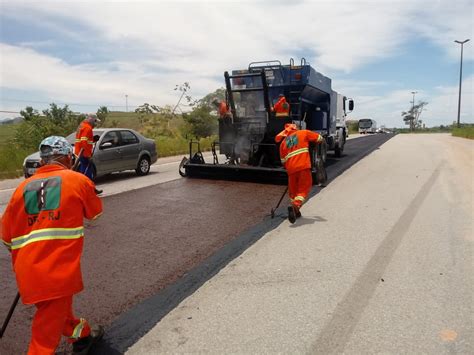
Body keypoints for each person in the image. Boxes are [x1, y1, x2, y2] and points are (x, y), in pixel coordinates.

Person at [1, 136, 104, 354]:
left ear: (43, 159)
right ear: (68, 157)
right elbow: (95, 214)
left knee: (59, 313)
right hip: (57, 272)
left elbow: (6, 238)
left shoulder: (20, 189)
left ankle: (83, 334)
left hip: (28, 272)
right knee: (43, 340)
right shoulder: (77, 180)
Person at [275, 123, 323, 223]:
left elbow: (283, 161)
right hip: (303, 166)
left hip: (291, 169)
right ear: (296, 128)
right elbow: (319, 138)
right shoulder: (303, 133)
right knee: (304, 188)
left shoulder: (283, 143)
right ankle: (296, 205)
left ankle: (296, 211)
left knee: (293, 191)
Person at [75, 114, 100, 181]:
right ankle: (88, 185)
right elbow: (84, 141)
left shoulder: (82, 126)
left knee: (84, 168)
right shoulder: (87, 128)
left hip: (79, 151)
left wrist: (93, 139)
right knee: (87, 169)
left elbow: (83, 139)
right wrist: (88, 155)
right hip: (84, 153)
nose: (95, 123)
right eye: (95, 121)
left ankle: (84, 184)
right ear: (92, 120)